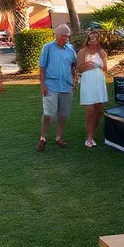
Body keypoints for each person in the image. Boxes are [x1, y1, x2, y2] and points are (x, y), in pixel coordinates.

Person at [37, 24, 77, 152]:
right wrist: (43, 84)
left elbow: (73, 66)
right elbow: (42, 68)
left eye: (67, 36)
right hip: (51, 86)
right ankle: (42, 138)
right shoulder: (48, 47)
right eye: (63, 36)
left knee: (63, 115)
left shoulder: (70, 49)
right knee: (48, 113)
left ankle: (59, 137)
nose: (65, 39)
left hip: (66, 86)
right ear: (56, 35)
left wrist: (74, 80)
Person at [77, 30, 109, 148]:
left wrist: (100, 66)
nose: (92, 42)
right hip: (88, 82)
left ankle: (92, 133)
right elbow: (79, 68)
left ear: (98, 40)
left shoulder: (101, 52)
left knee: (99, 111)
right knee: (90, 110)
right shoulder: (82, 52)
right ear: (87, 40)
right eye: (90, 39)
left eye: (94, 39)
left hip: (99, 82)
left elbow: (105, 68)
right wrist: (88, 65)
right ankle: (89, 138)